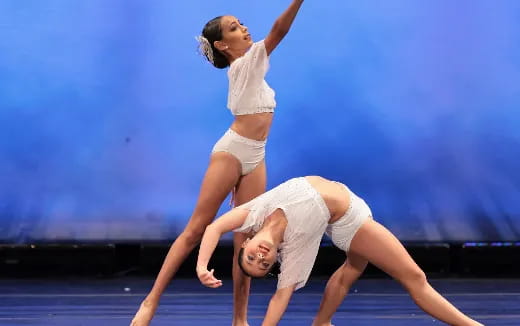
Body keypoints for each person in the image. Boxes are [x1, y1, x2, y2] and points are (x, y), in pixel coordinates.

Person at [130, 1, 305, 325]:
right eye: (235, 28)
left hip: (256, 154)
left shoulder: (253, 68)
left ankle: (240, 319)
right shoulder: (244, 64)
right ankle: (149, 303)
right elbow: (279, 31)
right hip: (232, 152)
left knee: (247, 236)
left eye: (241, 23)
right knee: (196, 229)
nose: (244, 28)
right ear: (223, 45)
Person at [196, 176, 483, 326]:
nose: (260, 257)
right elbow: (278, 299)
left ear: (245, 242)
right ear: (274, 261)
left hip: (355, 204)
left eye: (251, 257)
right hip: (351, 222)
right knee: (414, 277)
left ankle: (322, 322)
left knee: (351, 270)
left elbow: (213, 229)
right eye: (263, 265)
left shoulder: (254, 214)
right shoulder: (294, 250)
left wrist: (201, 267)